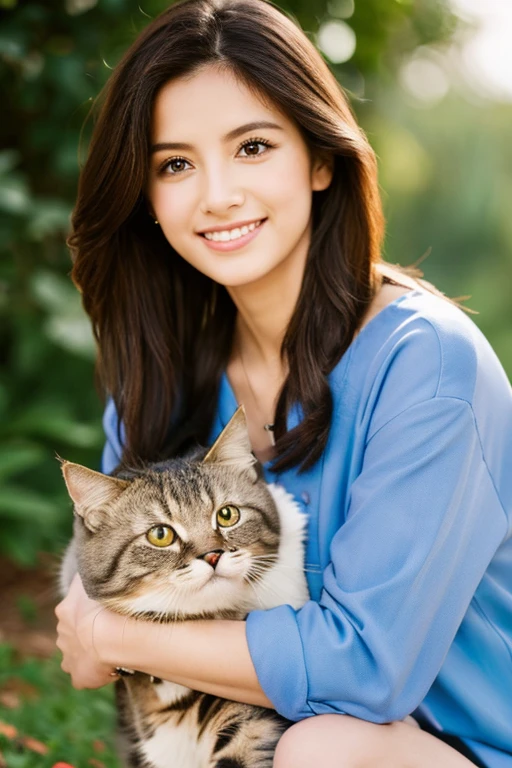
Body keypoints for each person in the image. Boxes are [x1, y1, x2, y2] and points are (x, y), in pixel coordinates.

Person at [55, 0, 512, 765]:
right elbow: (112, 583)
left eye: (253, 147)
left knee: (324, 749)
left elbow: (369, 671)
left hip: (452, 749)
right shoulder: (164, 367)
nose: (217, 195)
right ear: (148, 200)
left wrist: (110, 633)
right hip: (247, 737)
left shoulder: (426, 363)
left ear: (321, 159)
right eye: (175, 164)